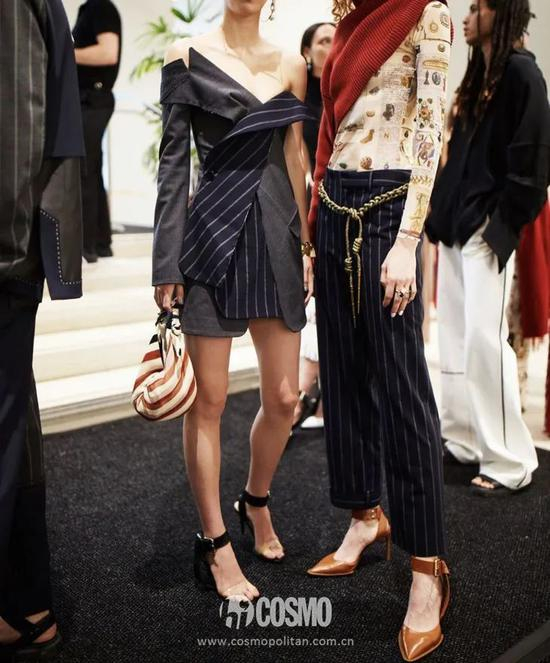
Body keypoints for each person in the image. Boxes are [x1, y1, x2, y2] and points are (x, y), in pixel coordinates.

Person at [152, 0, 314, 603]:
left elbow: (295, 154)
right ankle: (215, 541)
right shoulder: (186, 56)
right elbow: (173, 164)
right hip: (212, 233)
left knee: (285, 397)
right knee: (211, 400)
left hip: (276, 233)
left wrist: (307, 243)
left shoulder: (292, 64)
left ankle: (255, 499)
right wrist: (165, 262)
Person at [306, 1, 452, 660]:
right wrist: (313, 235)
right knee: (341, 377)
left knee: (403, 389)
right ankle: (365, 516)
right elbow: (330, 127)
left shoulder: (427, 11)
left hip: (391, 205)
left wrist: (409, 239)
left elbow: (429, 127)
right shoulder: (347, 20)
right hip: (335, 202)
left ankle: (426, 567)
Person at [427, 0, 549, 496]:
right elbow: (458, 159)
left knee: (483, 339)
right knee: (454, 337)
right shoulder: (479, 75)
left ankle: (509, 460)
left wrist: (499, 227)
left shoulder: (522, 74)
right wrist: (440, 215)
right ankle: (462, 437)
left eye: (477, 8)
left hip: (484, 231)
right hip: (456, 226)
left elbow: (533, 164)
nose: (467, 16)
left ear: (500, 13)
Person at [0, 0, 85, 659]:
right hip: (10, 255)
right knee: (12, 426)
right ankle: (25, 599)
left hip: (6, 254)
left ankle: (24, 602)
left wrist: (5, 250)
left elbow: (20, 119)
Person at [292, 22, 336, 433]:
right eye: (323, 39)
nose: (332, 43)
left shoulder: (344, 87)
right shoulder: (299, 93)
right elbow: (296, 154)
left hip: (337, 199)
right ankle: (306, 392)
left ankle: (320, 399)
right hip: (306, 199)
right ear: (307, 50)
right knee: (312, 300)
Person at [73, 0, 122, 263]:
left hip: (94, 98)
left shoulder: (101, 7)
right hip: (88, 99)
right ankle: (101, 243)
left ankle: (87, 245)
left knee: (85, 169)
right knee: (91, 169)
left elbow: (108, 52)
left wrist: (66, 53)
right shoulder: (88, 8)